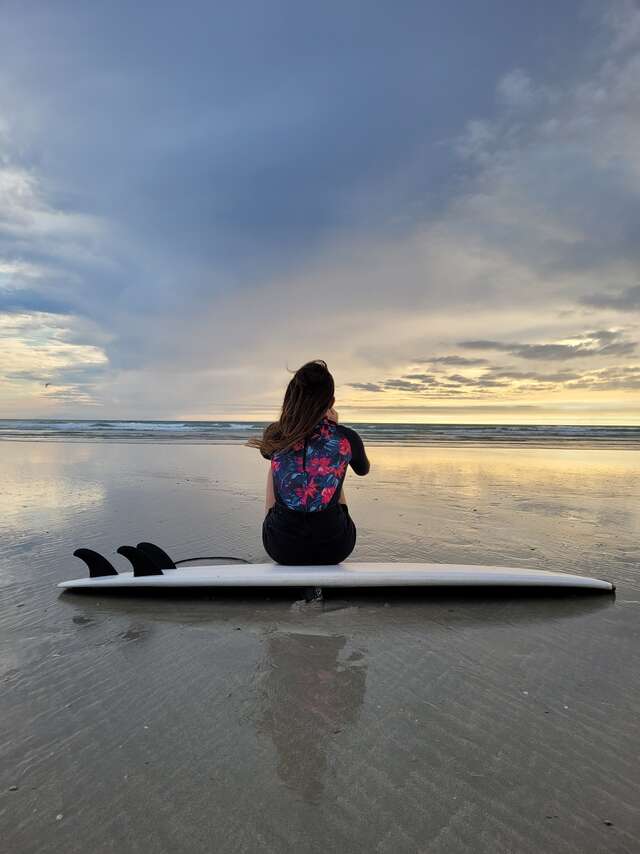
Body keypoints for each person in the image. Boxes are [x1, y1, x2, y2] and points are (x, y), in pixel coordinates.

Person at [247, 360, 370, 565]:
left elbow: (267, 454)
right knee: (334, 461)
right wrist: (332, 431)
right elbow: (363, 470)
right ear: (331, 402)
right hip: (336, 547)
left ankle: (274, 521)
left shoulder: (276, 434)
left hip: (281, 547)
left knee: (276, 463)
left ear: (291, 399)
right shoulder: (346, 438)